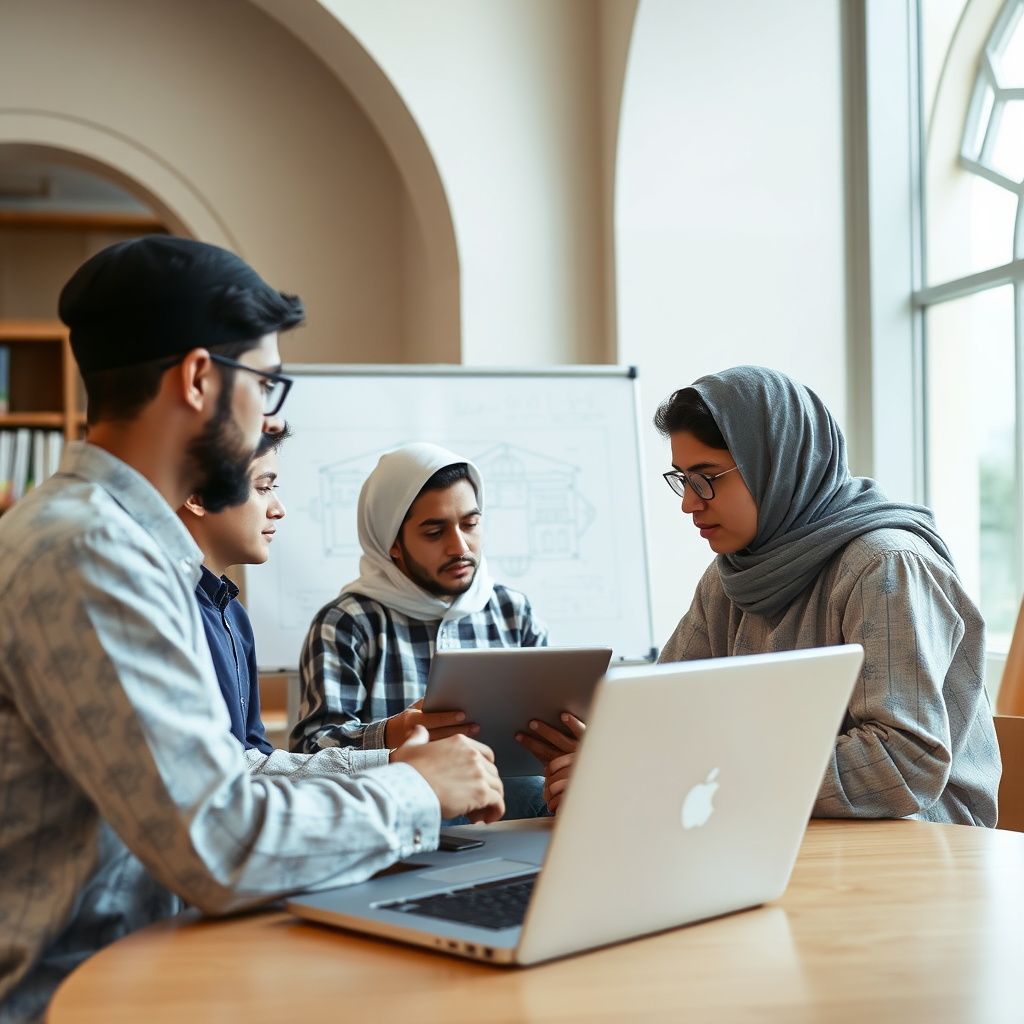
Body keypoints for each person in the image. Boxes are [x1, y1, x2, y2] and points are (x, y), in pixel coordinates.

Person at [0, 238, 503, 1024]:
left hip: (141, 974)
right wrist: (416, 791)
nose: (270, 416)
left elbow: (228, 770)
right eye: (265, 383)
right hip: (77, 1000)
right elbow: (219, 842)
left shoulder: (126, 547)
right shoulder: (91, 553)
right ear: (199, 379)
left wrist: (390, 766)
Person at [524, 365, 1001, 825]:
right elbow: (666, 714)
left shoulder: (885, 565)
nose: (689, 503)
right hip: (772, 825)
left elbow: (904, 763)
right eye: (682, 480)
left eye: (706, 478)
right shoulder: (731, 575)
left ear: (777, 465)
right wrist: (608, 758)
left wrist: (670, 774)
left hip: (919, 839)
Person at [294, 443, 550, 818]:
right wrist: (390, 735)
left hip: (520, 820)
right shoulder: (348, 622)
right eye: (434, 532)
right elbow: (309, 750)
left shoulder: (513, 611)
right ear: (392, 544)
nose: (460, 547)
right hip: (407, 821)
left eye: (470, 524)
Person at [177, 427, 291, 756]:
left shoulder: (234, 615)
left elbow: (254, 754)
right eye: (263, 488)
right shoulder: (173, 609)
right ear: (197, 496)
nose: (278, 509)